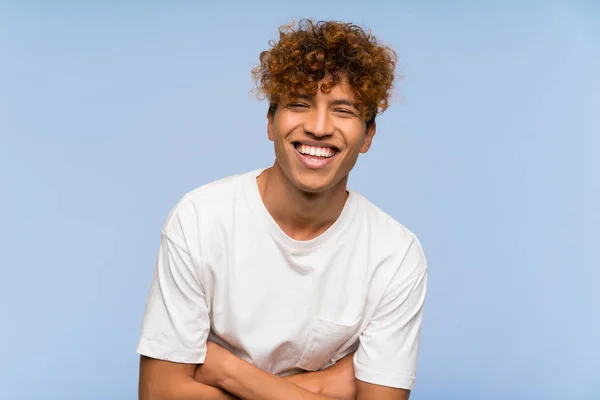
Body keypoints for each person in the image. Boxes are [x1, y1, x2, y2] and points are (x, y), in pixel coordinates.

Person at [137, 19, 428, 400]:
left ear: (368, 135)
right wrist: (328, 384)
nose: (319, 127)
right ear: (271, 122)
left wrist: (226, 370)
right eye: (299, 104)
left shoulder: (395, 255)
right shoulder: (200, 219)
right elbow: (159, 393)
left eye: (343, 110)